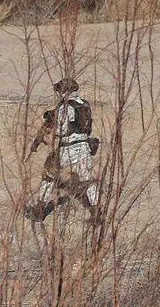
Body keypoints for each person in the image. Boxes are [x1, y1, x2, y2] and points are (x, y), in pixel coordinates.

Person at [25, 78, 101, 225]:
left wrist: (52, 122)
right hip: (84, 147)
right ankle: (96, 214)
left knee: (49, 175)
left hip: (68, 148)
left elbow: (62, 130)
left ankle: (39, 211)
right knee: (89, 180)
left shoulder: (65, 107)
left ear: (65, 91)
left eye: (59, 90)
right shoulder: (85, 104)